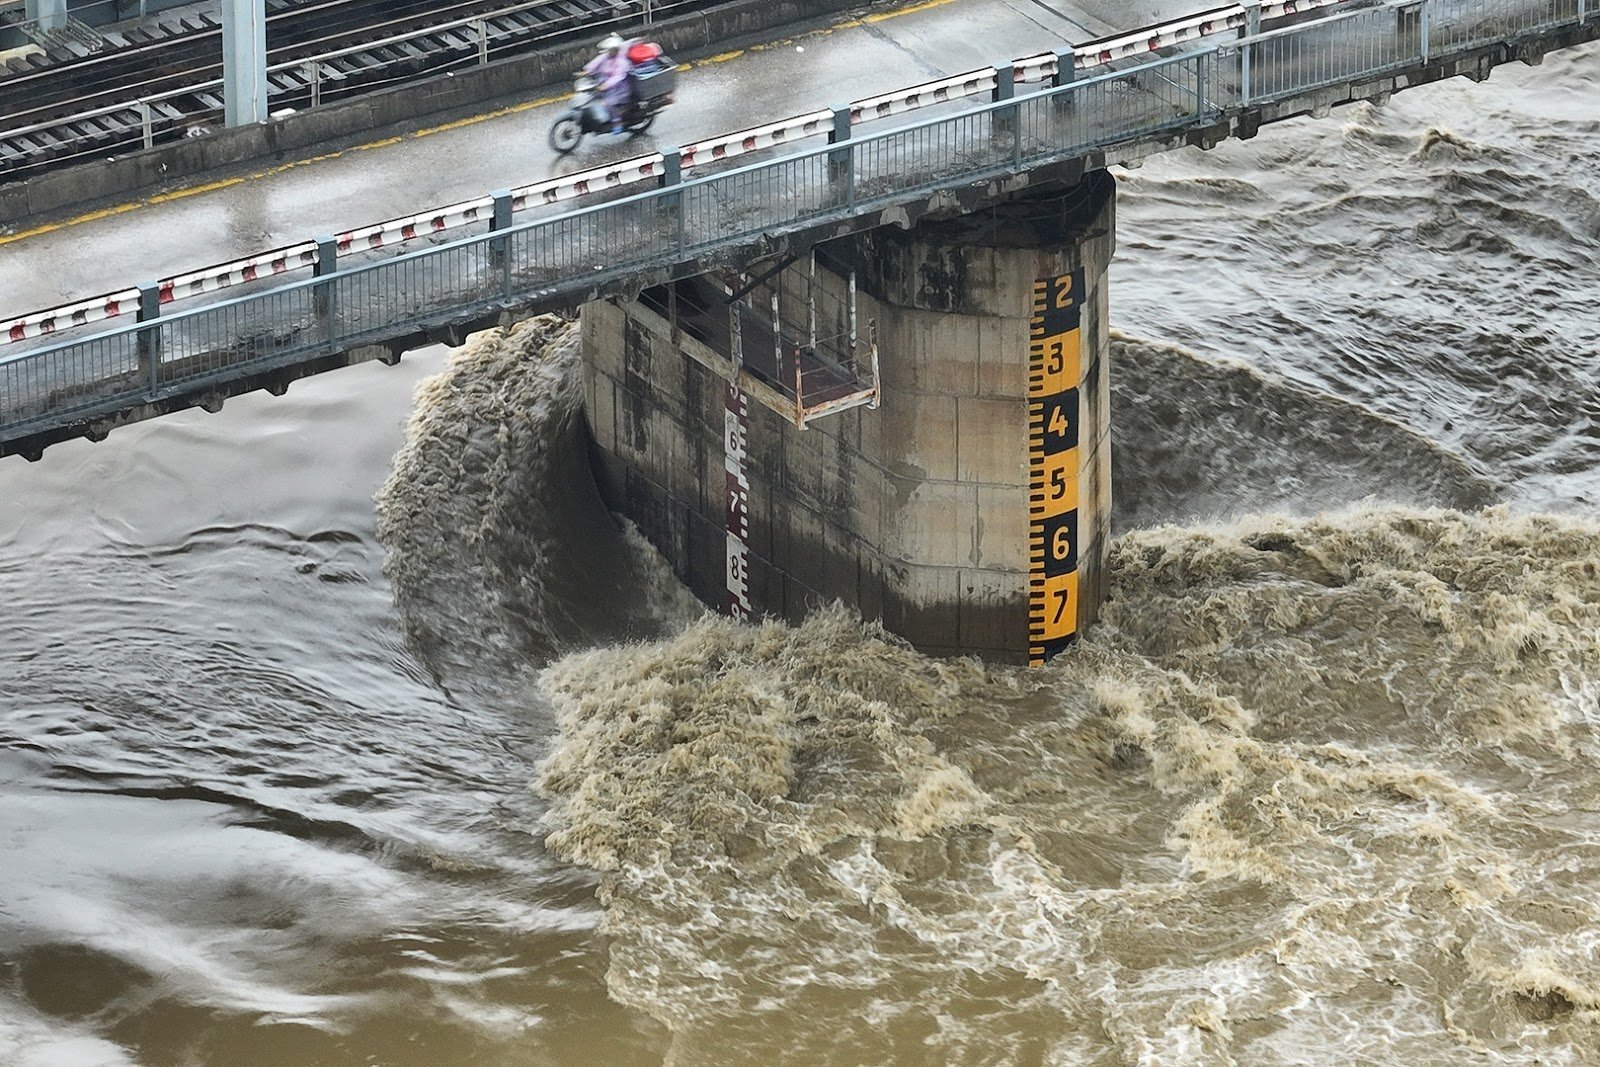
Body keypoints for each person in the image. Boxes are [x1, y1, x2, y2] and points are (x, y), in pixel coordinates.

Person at [582, 34, 633, 134]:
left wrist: (606, 85)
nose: (609, 52)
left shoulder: (622, 62)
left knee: (608, 103)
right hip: (603, 84)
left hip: (618, 89)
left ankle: (617, 122)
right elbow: (596, 62)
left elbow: (618, 77)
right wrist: (587, 70)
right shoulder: (606, 56)